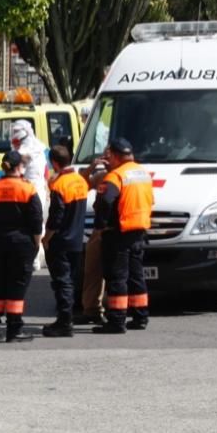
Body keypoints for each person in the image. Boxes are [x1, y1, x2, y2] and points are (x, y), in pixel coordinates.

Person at [92, 137, 154, 334]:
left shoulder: (115, 176)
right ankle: (140, 316)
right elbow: (150, 200)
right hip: (139, 231)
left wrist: (100, 227)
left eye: (109, 156)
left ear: (116, 156)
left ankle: (117, 321)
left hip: (118, 232)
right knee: (136, 276)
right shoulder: (143, 173)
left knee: (117, 277)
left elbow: (104, 203)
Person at [0, 150, 41, 343]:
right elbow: (36, 220)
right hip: (21, 243)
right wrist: (36, 243)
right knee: (17, 285)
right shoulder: (27, 189)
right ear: (19, 167)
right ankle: (14, 329)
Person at [41, 146, 88, 338]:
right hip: (77, 240)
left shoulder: (60, 185)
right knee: (70, 280)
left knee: (62, 282)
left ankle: (64, 321)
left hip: (60, 241)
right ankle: (66, 319)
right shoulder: (80, 181)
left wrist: (47, 237)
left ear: (54, 163)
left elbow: (56, 217)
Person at [75, 158, 108, 325]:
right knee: (92, 269)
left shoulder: (123, 176)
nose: (107, 159)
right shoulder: (102, 175)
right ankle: (92, 309)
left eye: (111, 155)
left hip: (117, 228)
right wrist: (92, 166)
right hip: (99, 228)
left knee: (117, 274)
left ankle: (119, 314)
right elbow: (82, 182)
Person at [11, 119, 48, 270]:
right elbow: (45, 171)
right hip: (38, 189)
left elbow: (16, 173)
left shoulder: (23, 152)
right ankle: (38, 257)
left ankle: (34, 258)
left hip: (27, 191)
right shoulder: (39, 148)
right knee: (38, 222)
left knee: (30, 224)